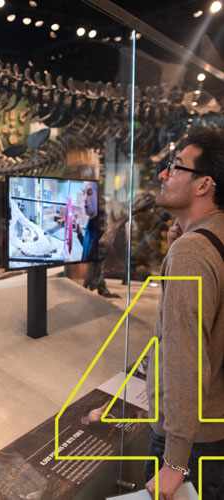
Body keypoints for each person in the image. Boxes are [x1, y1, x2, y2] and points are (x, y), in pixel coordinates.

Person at [144, 127, 224, 500]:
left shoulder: (192, 252)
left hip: (191, 446)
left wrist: (175, 461)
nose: (163, 174)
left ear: (204, 184)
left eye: (175, 167)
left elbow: (185, 359)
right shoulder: (214, 235)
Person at [75, 181, 99, 261]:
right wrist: (79, 233)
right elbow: (88, 250)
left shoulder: (100, 231)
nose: (84, 199)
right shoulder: (90, 223)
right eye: (83, 193)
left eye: (89, 193)